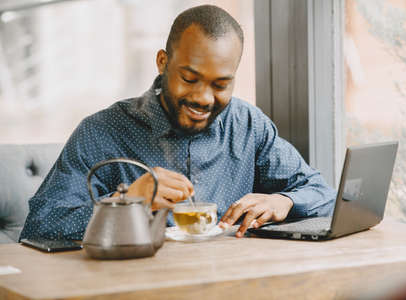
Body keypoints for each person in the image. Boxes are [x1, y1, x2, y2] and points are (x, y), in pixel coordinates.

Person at [20, 5, 335, 241]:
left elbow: (321, 192)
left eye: (221, 84)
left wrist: (284, 201)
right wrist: (127, 202)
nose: (204, 98)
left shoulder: (247, 125)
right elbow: (40, 226)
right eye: (189, 78)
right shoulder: (102, 131)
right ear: (162, 62)